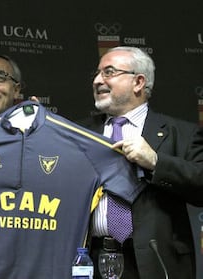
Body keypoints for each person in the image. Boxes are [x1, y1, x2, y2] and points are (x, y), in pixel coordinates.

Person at [79, 46, 203, 279]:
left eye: (109, 72)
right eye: (96, 73)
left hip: (156, 262)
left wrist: (157, 162)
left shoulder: (180, 133)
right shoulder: (81, 132)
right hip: (91, 260)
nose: (97, 80)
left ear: (138, 82)